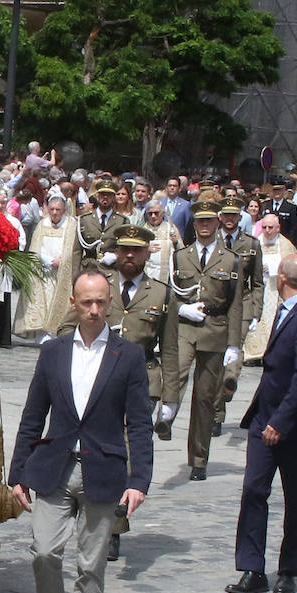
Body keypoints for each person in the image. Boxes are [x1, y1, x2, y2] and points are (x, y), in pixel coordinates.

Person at [10, 269, 153, 593]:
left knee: (91, 564)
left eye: (101, 302)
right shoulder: (53, 352)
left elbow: (139, 423)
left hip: (103, 469)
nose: (93, 310)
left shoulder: (127, 356)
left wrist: (138, 479)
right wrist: (17, 472)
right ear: (73, 303)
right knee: (44, 552)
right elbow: (34, 414)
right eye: (86, 302)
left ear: (111, 303)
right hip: (54, 467)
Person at [55, 227, 175, 562]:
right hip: (98, 380)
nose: (130, 257)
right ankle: (107, 523)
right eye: (124, 250)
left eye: (136, 251)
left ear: (147, 254)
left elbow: (170, 348)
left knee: (124, 448)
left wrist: (172, 397)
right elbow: (66, 327)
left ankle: (111, 527)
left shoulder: (159, 293)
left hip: (141, 381)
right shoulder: (98, 289)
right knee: (104, 447)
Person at [225, 254, 297, 593]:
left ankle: (287, 570)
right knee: (254, 490)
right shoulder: (287, 311)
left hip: (295, 425)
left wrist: (280, 422)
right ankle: (252, 568)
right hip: (263, 418)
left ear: (282, 278)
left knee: (295, 497)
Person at [158, 200, 244, 480]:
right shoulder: (180, 256)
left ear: (218, 223)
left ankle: (198, 459)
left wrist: (234, 345)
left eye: (209, 221)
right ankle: (167, 414)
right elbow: (170, 290)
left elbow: (235, 304)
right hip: (184, 326)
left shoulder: (230, 259)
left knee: (205, 398)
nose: (204, 226)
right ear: (194, 225)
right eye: (199, 221)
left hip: (215, 328)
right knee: (176, 372)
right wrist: (180, 308)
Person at [214, 196, 265, 432]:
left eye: (234, 215)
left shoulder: (251, 245)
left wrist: (256, 311)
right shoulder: (211, 240)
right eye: (226, 215)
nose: (230, 220)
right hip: (218, 302)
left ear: (240, 217)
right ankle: (217, 414)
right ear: (220, 217)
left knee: (235, 346)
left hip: (242, 302)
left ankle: (230, 379)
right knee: (216, 357)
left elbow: (257, 282)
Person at [14, 195, 76, 340]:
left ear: (63, 211)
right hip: (44, 272)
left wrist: (62, 261)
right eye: (52, 209)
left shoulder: (71, 225)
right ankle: (42, 336)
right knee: (44, 305)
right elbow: (35, 248)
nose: (54, 213)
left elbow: (73, 249)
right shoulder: (42, 225)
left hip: (62, 273)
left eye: (58, 209)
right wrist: (46, 261)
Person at [243, 214, 297, 363]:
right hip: (259, 288)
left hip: (276, 290)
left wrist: (274, 269)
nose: (267, 231)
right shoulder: (256, 243)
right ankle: (254, 354)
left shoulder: (286, 246)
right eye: (264, 227)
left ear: (278, 228)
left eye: (270, 227)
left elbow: (292, 267)